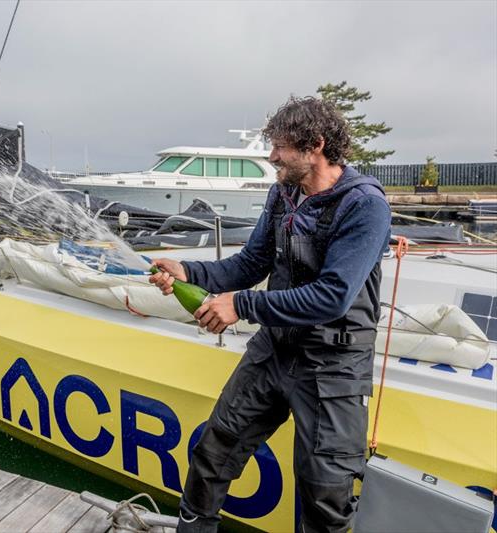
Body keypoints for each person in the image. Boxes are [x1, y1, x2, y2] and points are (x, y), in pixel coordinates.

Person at [149, 96, 391, 533]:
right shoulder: (283, 193)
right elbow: (250, 263)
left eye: (280, 147)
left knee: (324, 493)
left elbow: (333, 296)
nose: (272, 156)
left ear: (315, 145)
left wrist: (240, 305)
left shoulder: (364, 205)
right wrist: (189, 269)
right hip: (275, 350)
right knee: (212, 451)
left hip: (333, 365)